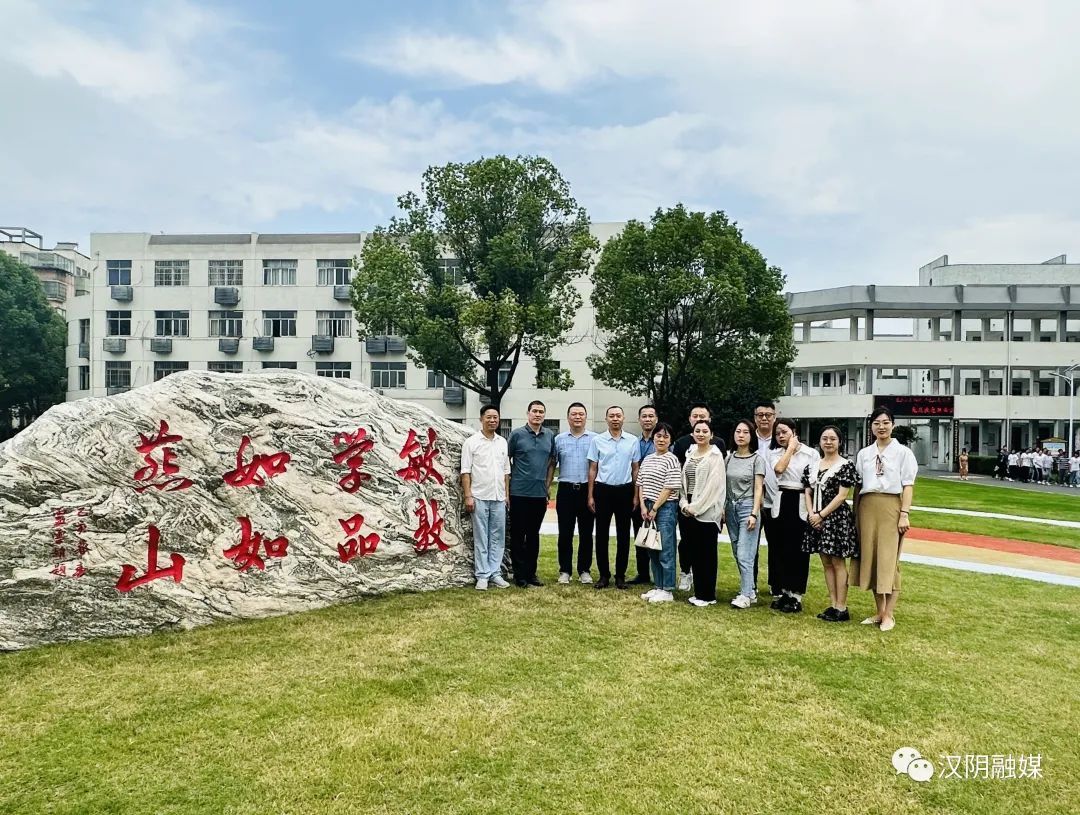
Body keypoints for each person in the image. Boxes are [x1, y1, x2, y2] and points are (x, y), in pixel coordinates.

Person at [852, 405, 918, 632]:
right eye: (877, 423)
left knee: (889, 561)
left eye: (885, 422)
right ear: (871, 427)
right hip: (867, 506)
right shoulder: (864, 454)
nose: (881, 427)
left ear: (893, 425)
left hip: (891, 506)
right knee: (871, 559)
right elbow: (858, 484)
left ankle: (889, 614)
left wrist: (904, 514)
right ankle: (880, 611)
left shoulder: (903, 453)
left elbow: (908, 485)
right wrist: (856, 514)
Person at [802, 426, 859, 622]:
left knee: (837, 562)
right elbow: (807, 492)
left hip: (836, 519)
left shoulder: (845, 466)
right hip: (816, 517)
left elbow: (842, 496)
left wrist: (821, 515)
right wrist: (812, 514)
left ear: (839, 442)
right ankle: (833, 603)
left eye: (832, 439)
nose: (828, 442)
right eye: (824, 438)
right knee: (826, 562)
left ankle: (842, 607)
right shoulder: (812, 466)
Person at [673, 403, 727, 591]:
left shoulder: (717, 450)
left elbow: (716, 484)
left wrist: (696, 507)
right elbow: (681, 477)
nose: (701, 432)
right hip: (686, 504)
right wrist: (684, 504)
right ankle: (688, 575)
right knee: (688, 543)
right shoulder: (685, 447)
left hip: (706, 505)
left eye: (704, 428)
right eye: (695, 417)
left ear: (711, 430)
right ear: (690, 422)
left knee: (706, 549)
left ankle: (706, 591)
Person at [768, 419, 819, 613]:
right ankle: (784, 592)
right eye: (777, 433)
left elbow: (813, 481)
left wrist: (814, 510)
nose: (780, 436)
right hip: (781, 500)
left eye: (784, 432)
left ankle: (796, 595)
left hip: (802, 500)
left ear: (794, 432)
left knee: (798, 550)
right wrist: (790, 449)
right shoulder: (775, 453)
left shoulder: (810, 454)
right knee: (780, 548)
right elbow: (779, 469)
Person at [587, 406, 642, 589]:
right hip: (603, 490)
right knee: (601, 534)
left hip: (625, 491)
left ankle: (620, 576)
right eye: (611, 416)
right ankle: (604, 575)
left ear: (623, 418)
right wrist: (590, 495)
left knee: (624, 535)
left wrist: (636, 495)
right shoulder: (597, 440)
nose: (615, 419)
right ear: (606, 419)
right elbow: (593, 468)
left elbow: (635, 469)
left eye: (618, 415)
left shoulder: (632, 441)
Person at [460, 404, 512, 590]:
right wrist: (468, 496)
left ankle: (495, 572)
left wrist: (506, 495)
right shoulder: (471, 442)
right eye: (489, 417)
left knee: (498, 537)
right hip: (479, 496)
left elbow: (506, 471)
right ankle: (482, 575)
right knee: (481, 537)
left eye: (495, 417)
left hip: (499, 497)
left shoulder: (502, 442)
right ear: (481, 419)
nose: (492, 420)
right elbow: (465, 471)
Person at [507, 400, 555, 588]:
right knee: (518, 535)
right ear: (528, 413)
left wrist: (547, 485)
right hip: (518, 492)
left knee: (533, 535)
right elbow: (506, 460)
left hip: (539, 494)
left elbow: (552, 462)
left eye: (541, 412)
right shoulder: (517, 434)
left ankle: (531, 573)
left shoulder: (549, 435)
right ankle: (519, 575)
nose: (537, 414)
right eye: (534, 411)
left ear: (544, 415)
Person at [550, 402, 596, 584]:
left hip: (587, 490)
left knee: (586, 533)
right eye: (574, 414)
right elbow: (552, 464)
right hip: (566, 490)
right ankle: (565, 571)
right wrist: (547, 486)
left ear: (586, 417)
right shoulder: (559, 439)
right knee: (565, 533)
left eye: (581, 414)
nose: (577, 417)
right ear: (568, 417)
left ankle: (584, 570)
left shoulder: (595, 439)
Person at [636, 422, 681, 603]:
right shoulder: (648, 459)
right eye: (658, 436)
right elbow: (641, 483)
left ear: (671, 440)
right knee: (652, 547)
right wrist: (642, 506)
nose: (661, 439)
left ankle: (667, 589)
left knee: (666, 548)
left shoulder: (672, 459)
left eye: (665, 436)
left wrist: (655, 508)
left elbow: (669, 487)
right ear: (653, 438)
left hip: (665, 507)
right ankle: (658, 586)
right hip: (647, 506)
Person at [725, 419, 765, 609]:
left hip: (748, 507)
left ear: (752, 436)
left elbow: (759, 488)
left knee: (745, 554)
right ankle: (750, 590)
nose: (741, 435)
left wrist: (754, 513)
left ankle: (745, 595)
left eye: (745, 432)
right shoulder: (728, 458)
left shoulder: (757, 460)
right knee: (736, 551)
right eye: (738, 431)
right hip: (730, 507)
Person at [752, 401, 779, 595]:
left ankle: (776, 584)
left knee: (776, 545)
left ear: (774, 417)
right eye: (760, 415)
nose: (764, 418)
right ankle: (750, 584)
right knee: (750, 546)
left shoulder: (780, 438)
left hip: (775, 500)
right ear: (755, 418)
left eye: (768, 415)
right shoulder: (747, 437)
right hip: (752, 502)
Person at [631, 404, 659, 585]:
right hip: (638, 495)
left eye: (651, 416)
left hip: (657, 496)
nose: (647, 419)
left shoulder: (663, 441)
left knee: (658, 536)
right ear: (639, 420)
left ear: (656, 419)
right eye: (644, 416)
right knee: (640, 533)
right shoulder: (634, 443)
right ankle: (642, 574)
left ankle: (659, 575)